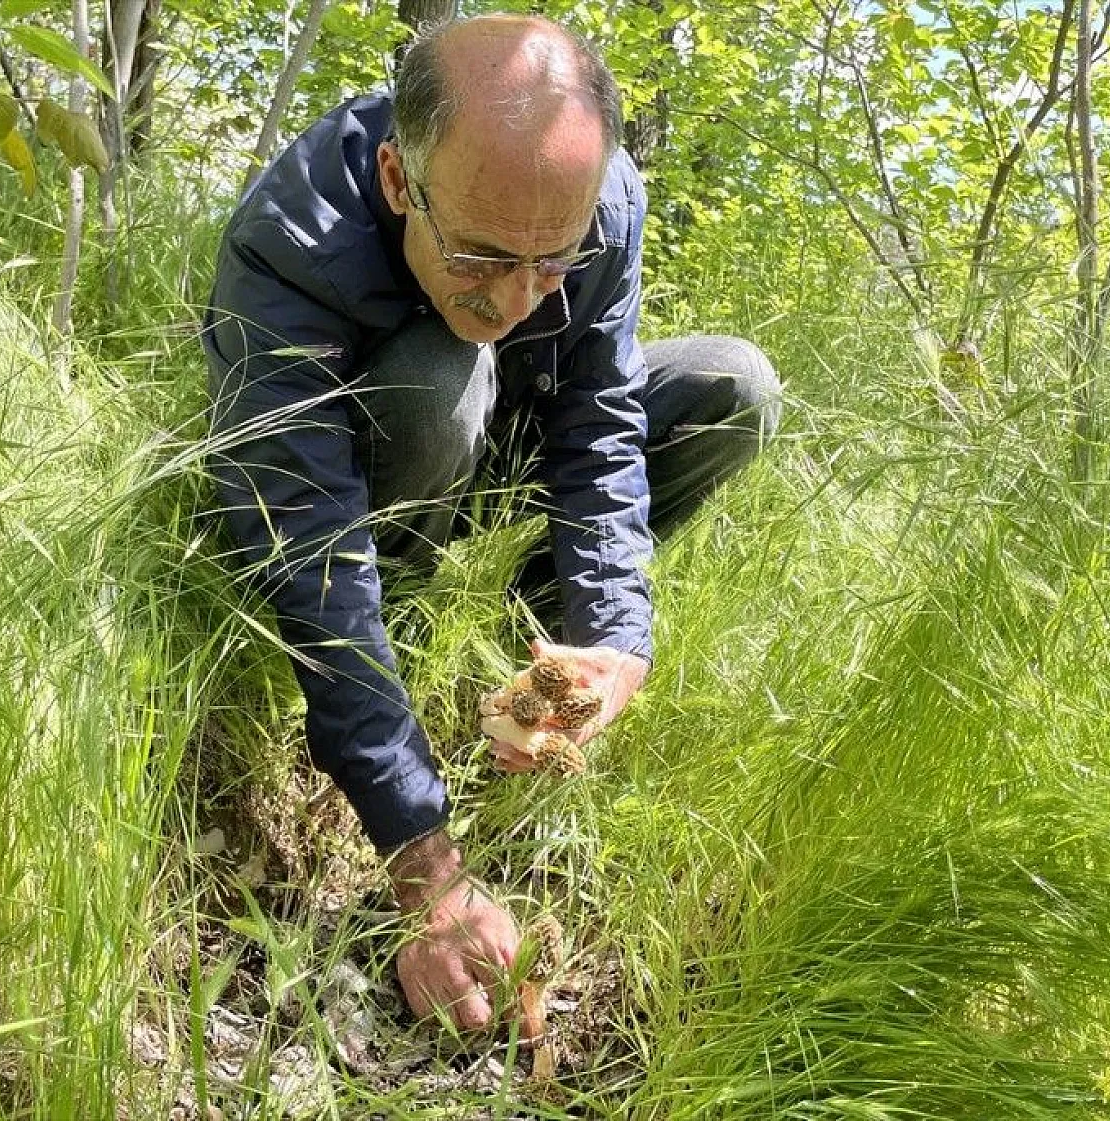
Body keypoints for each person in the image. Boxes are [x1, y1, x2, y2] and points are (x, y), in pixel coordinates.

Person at [201, 13, 780, 1034]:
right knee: (442, 378)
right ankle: (415, 616)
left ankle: (524, 670)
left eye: (551, 262)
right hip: (367, 466)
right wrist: (423, 857)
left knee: (734, 386)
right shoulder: (290, 237)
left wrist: (614, 638)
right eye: (480, 256)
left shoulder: (600, 203)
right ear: (396, 180)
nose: (517, 297)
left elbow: (596, 421)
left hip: (497, 444)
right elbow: (303, 538)